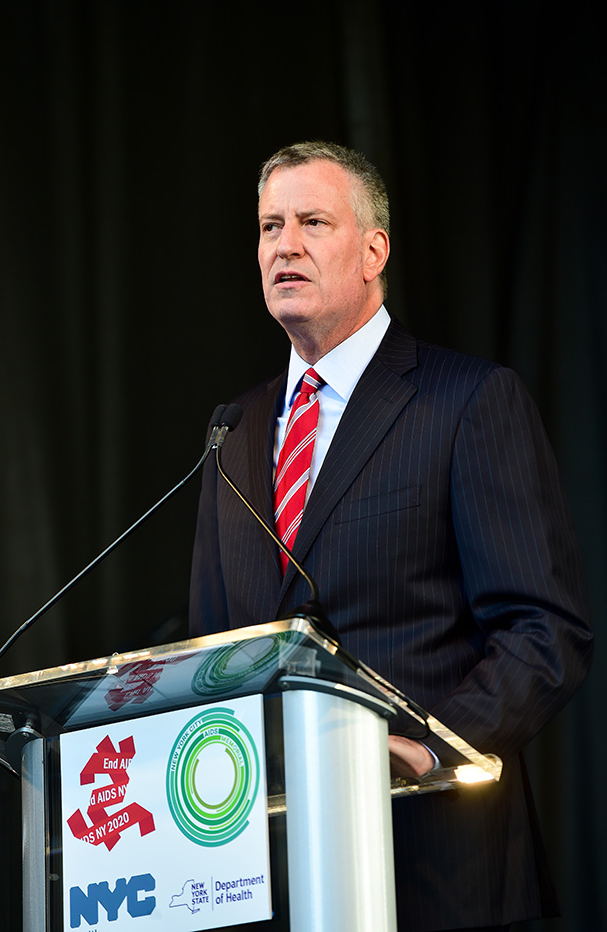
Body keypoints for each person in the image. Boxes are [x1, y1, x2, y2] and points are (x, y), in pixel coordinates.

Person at [189, 141, 593, 932]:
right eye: (271, 226)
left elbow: (546, 633)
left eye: (312, 221)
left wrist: (428, 747)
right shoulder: (230, 433)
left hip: (439, 869)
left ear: (375, 249)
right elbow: (212, 657)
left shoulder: (467, 401)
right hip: (272, 884)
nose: (285, 245)